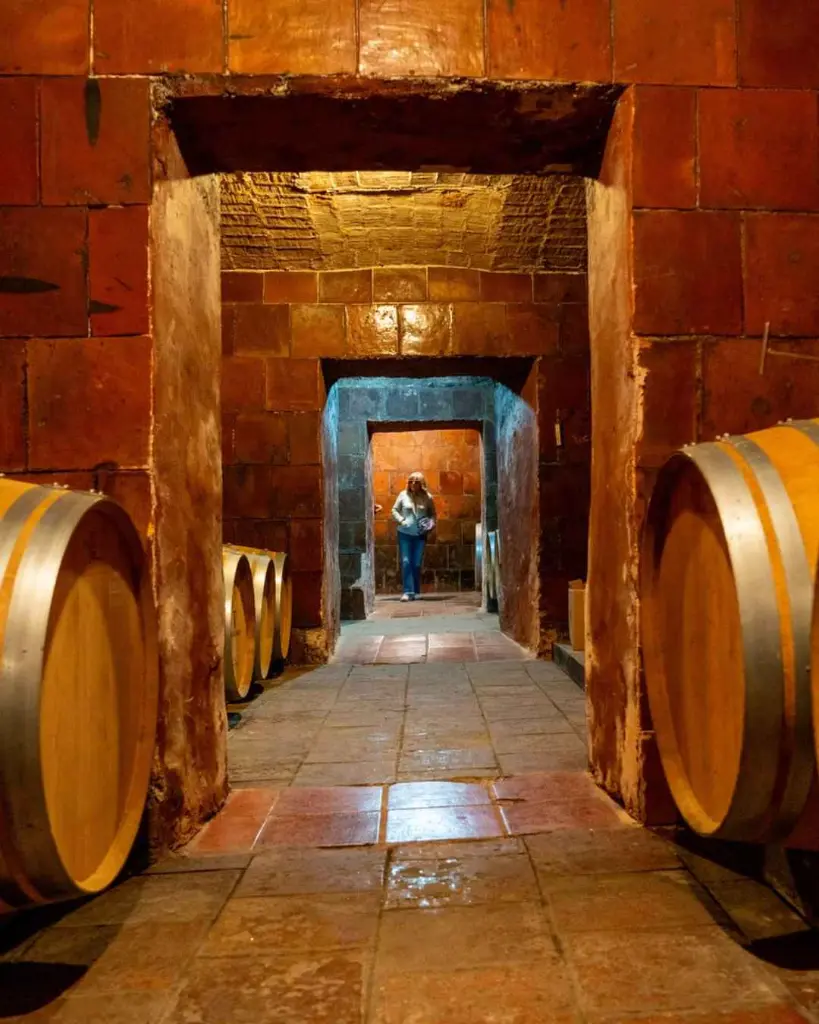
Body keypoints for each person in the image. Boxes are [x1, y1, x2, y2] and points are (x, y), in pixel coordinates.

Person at [391, 471, 436, 602]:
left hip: (420, 535)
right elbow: (394, 510)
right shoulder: (403, 495)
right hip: (404, 533)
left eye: (416, 482)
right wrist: (401, 520)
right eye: (411, 481)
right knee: (406, 561)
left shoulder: (428, 497)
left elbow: (433, 514)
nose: (413, 484)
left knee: (416, 563)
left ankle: (415, 590)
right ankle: (407, 591)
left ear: (422, 484)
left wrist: (430, 525)